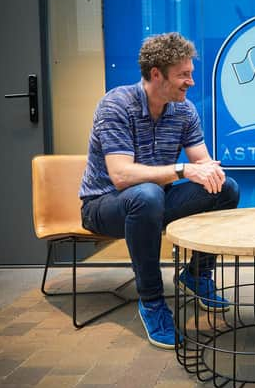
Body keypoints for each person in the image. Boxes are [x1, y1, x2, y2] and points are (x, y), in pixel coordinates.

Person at [79, 32, 240, 349]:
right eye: (183, 74)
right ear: (156, 74)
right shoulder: (116, 105)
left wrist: (211, 170)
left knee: (226, 189)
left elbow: (201, 162)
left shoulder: (184, 110)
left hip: (152, 201)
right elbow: (121, 175)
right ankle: (152, 301)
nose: (190, 82)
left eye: (190, 74)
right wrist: (182, 170)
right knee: (147, 194)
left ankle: (197, 275)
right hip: (104, 205)